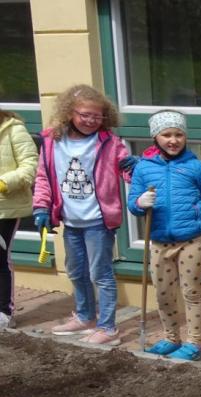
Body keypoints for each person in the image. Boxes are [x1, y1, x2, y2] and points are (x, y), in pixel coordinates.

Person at [32, 84, 130, 344]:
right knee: (76, 271)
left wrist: (142, 168)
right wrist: (41, 206)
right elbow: (43, 177)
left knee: (101, 273)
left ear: (105, 116)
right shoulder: (53, 141)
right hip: (70, 220)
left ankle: (108, 328)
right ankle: (86, 317)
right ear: (69, 113)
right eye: (84, 115)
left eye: (96, 116)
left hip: (99, 220)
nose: (90, 121)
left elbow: (129, 172)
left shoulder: (110, 143)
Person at [127, 110, 201, 360]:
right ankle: (171, 337)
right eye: (166, 135)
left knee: (191, 291)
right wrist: (141, 202)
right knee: (163, 291)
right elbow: (132, 204)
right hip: (160, 240)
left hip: (192, 239)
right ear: (156, 137)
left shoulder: (197, 167)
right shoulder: (143, 169)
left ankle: (194, 341)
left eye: (178, 134)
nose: (173, 140)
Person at [0, 108, 39, 330]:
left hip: (5, 208)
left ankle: (4, 311)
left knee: (0, 259)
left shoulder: (13, 129)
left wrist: (4, 183)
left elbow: (30, 165)